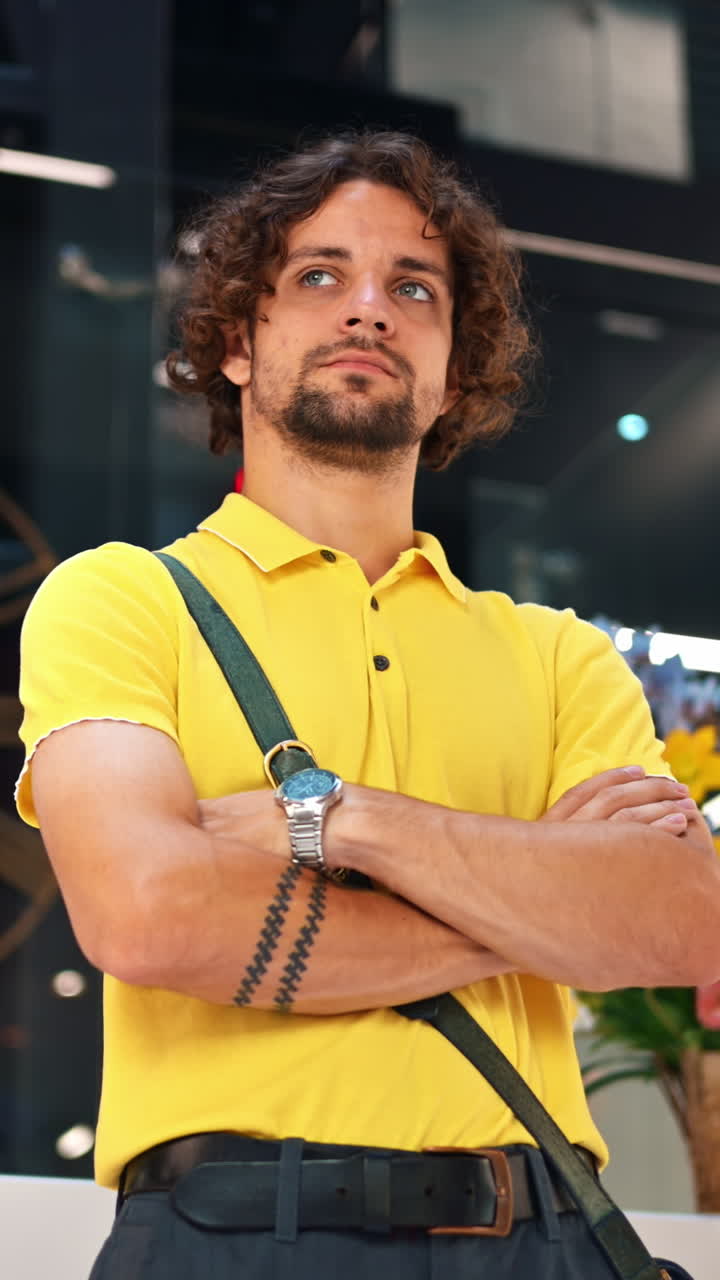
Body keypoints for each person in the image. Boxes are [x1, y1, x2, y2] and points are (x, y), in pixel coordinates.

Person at [15, 131, 719, 1279]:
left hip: (542, 1228)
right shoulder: (122, 598)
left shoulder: (556, 654)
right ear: (240, 340)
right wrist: (540, 897)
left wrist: (338, 819)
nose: (369, 310)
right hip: (233, 1233)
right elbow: (149, 915)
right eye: (319, 275)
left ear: (452, 367)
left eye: (414, 288)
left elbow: (679, 920)